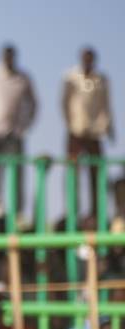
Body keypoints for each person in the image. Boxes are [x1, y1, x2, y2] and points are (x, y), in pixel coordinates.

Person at [0, 44, 37, 216]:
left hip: (14, 133)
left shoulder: (23, 78)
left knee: (17, 171)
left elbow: (32, 104)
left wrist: (23, 127)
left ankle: (18, 210)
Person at [62, 47, 114, 218]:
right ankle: (72, 210)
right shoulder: (71, 78)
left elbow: (106, 105)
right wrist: (70, 124)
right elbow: (64, 102)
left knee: (96, 173)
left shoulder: (101, 80)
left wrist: (109, 127)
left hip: (95, 133)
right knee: (73, 172)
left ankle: (96, 211)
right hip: (76, 131)